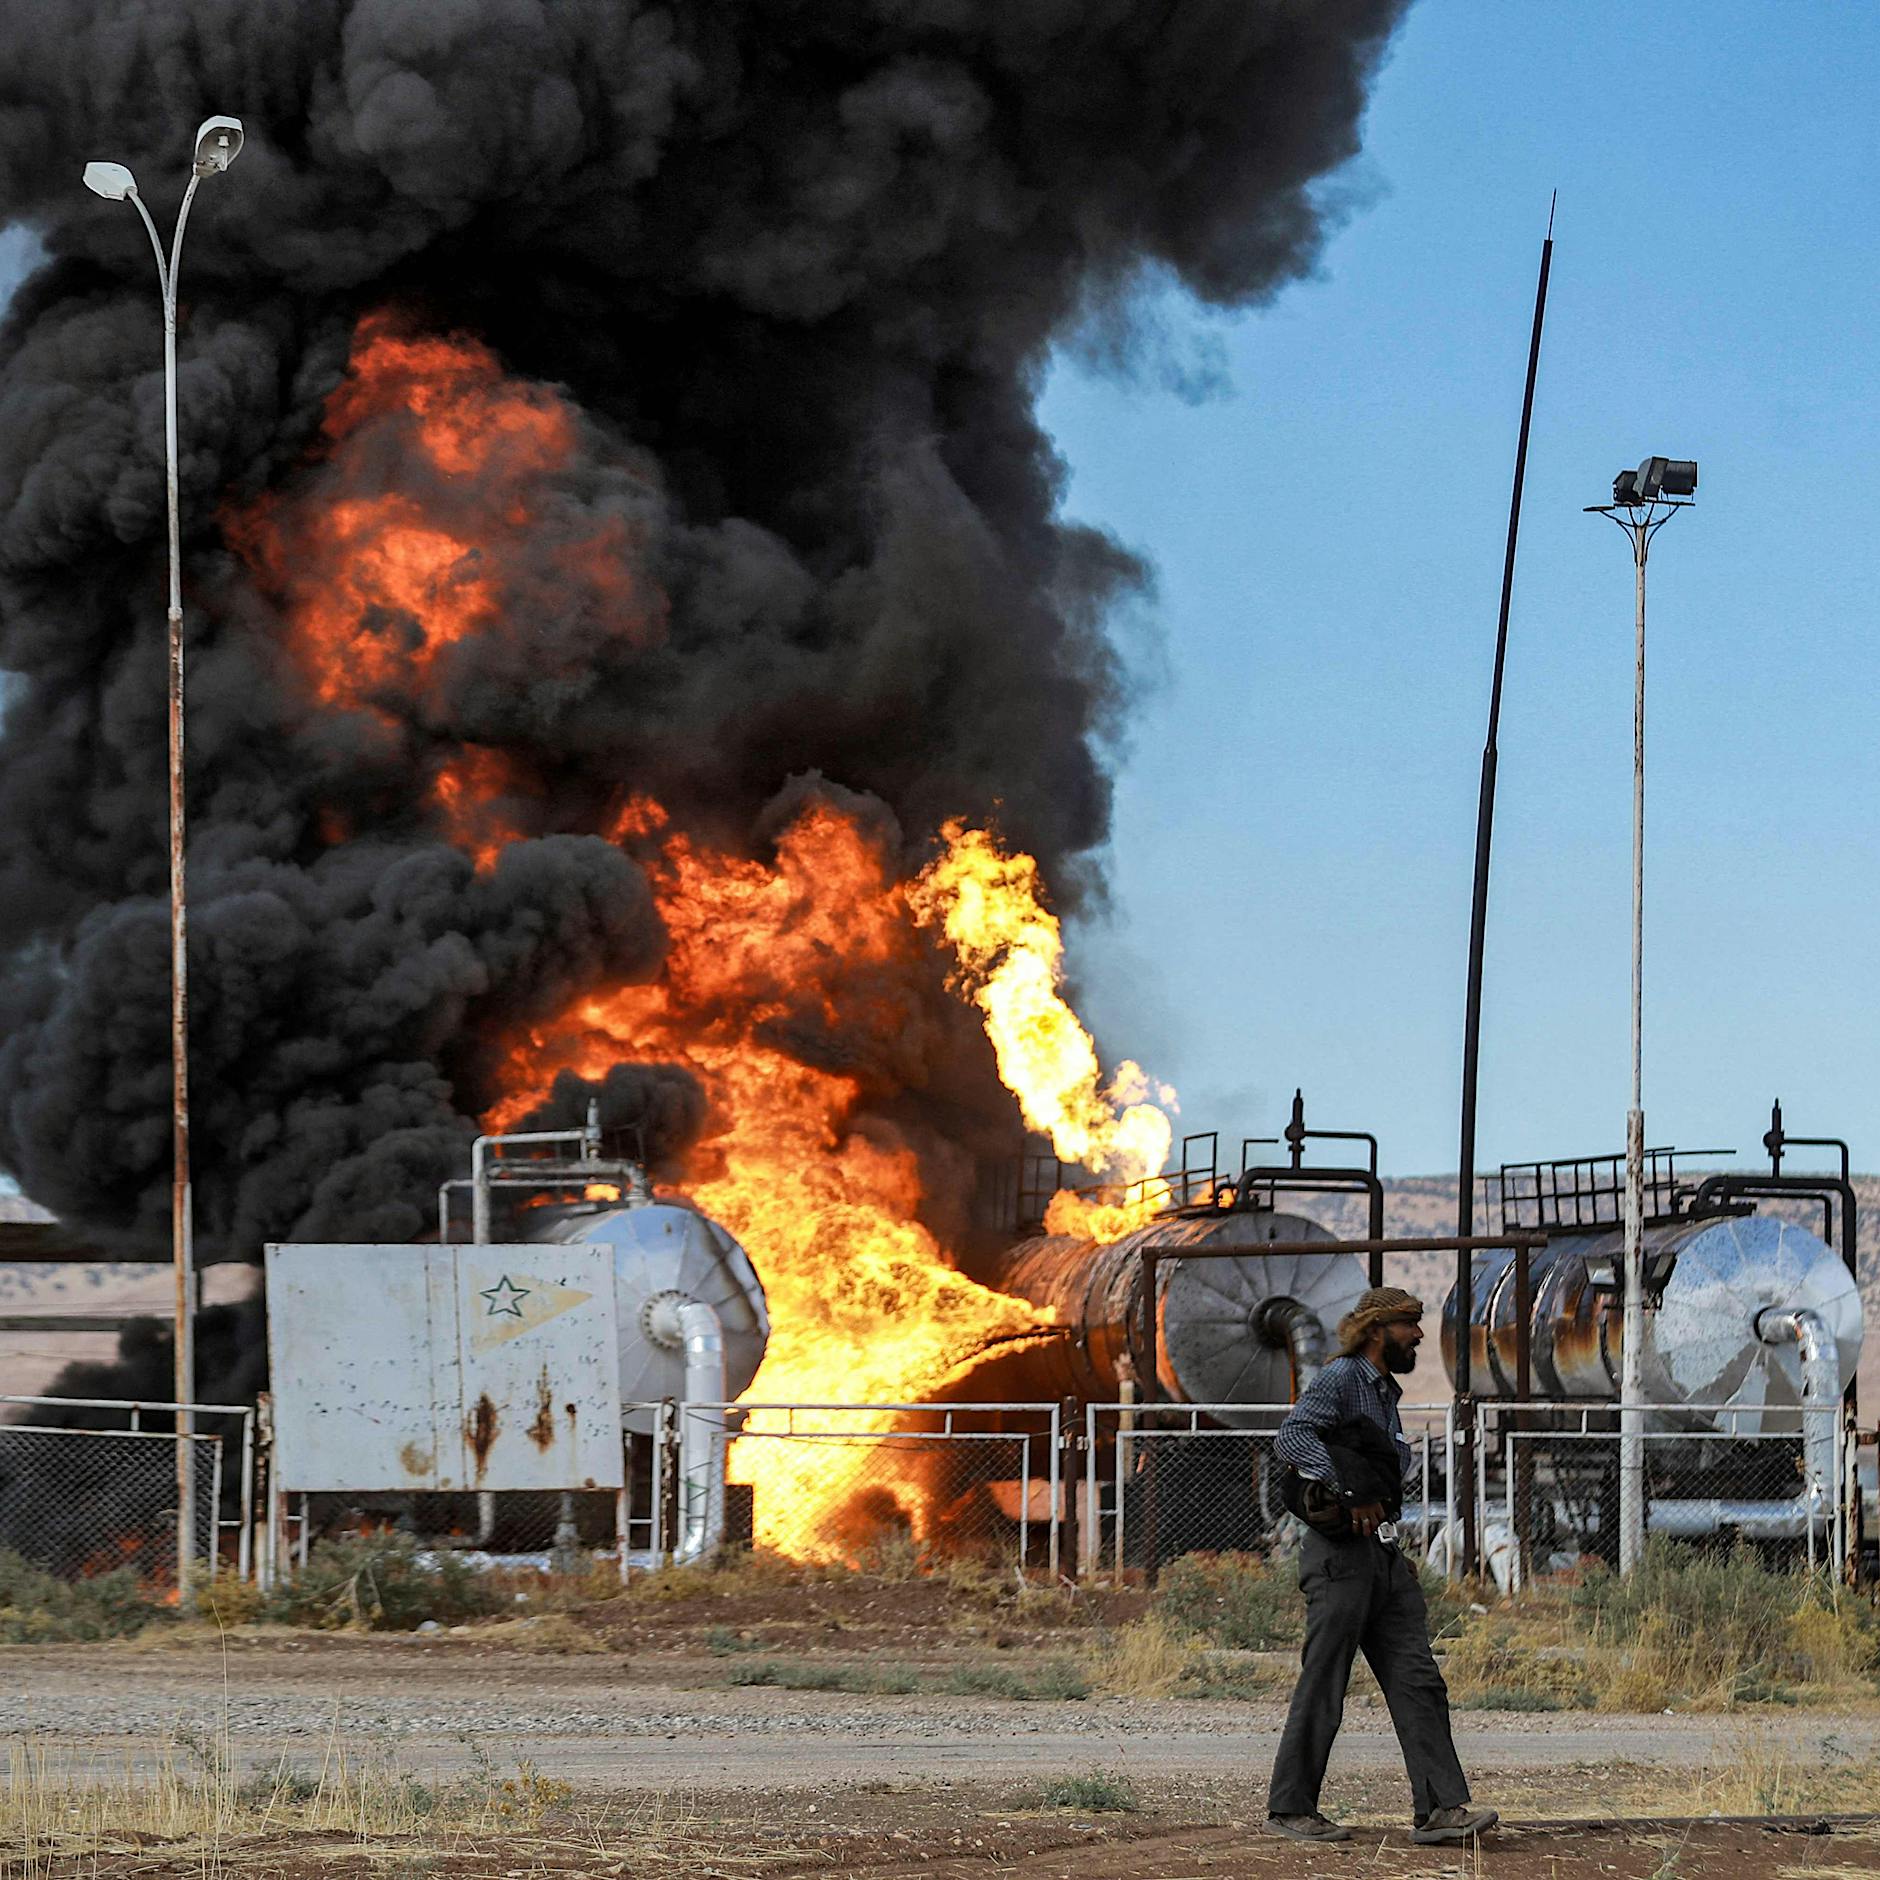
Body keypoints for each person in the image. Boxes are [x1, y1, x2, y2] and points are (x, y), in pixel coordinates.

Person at [1264, 1285, 1498, 1847]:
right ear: (1376, 1330)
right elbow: (1292, 1438)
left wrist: (1390, 1540)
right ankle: (1291, 1808)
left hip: (1383, 1556)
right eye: (1408, 1324)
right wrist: (1350, 1488)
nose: (1418, 1335)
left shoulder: (1384, 1392)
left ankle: (1440, 1810)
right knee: (1325, 1682)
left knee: (1418, 1680)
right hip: (1341, 1558)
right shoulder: (1343, 1377)